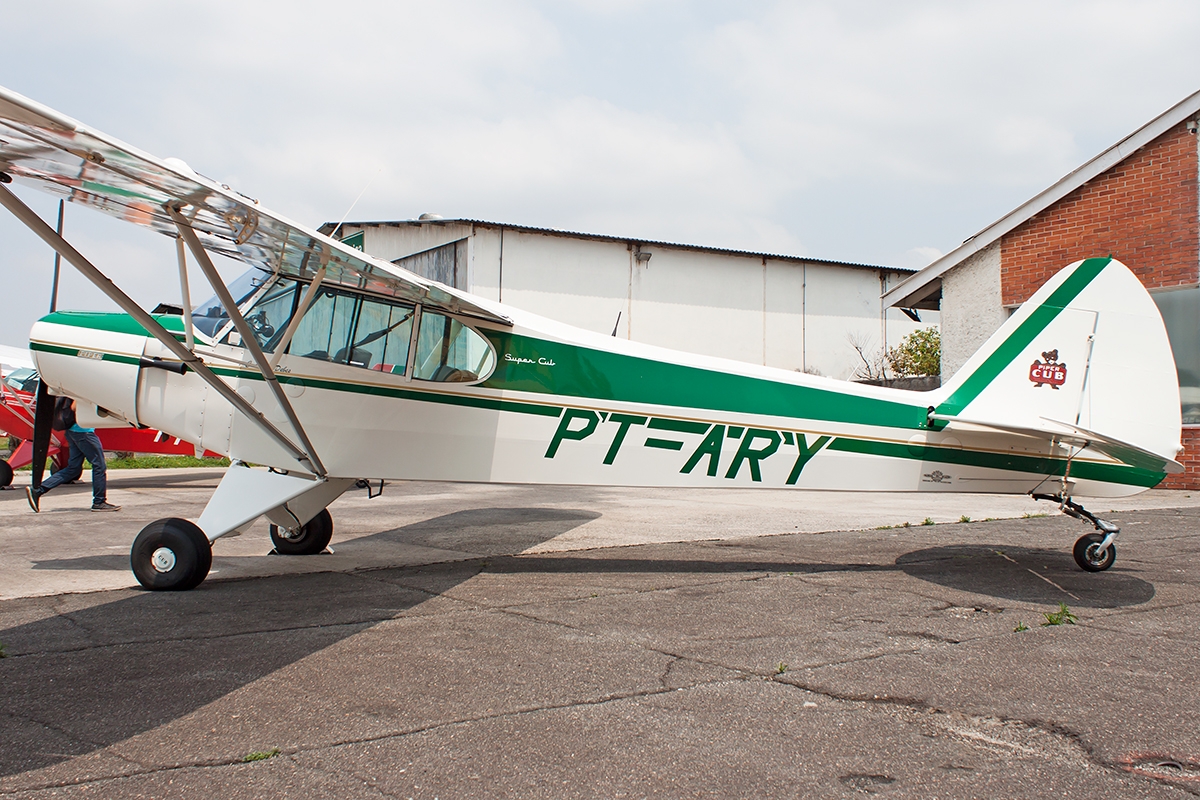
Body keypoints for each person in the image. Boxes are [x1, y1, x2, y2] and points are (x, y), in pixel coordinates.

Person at [26, 396, 120, 513]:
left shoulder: (77, 387)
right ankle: (99, 502)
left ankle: (38, 490)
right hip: (84, 433)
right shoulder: (84, 390)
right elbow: (74, 406)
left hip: (73, 432)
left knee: (73, 469)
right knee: (99, 466)